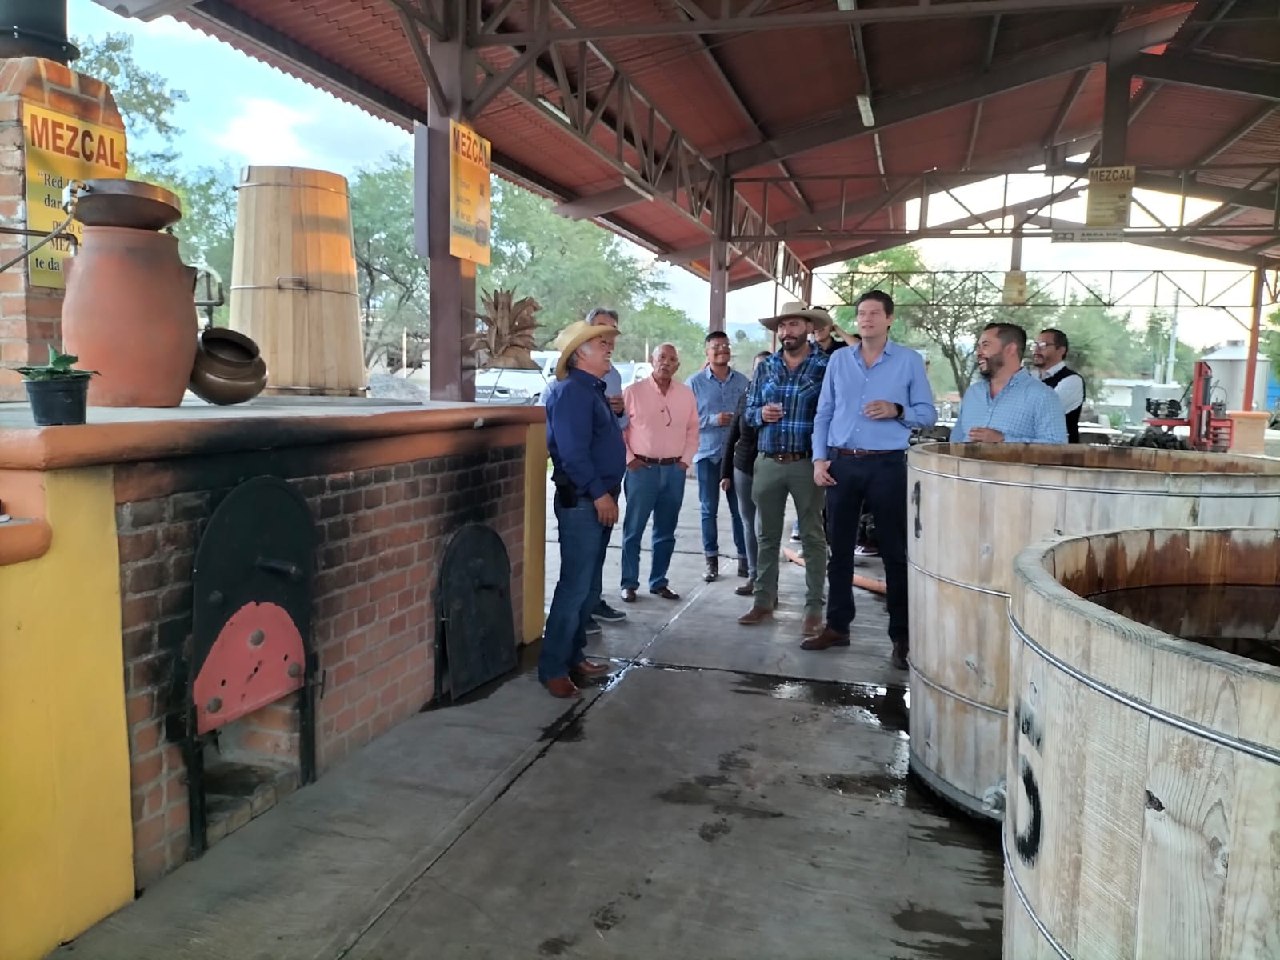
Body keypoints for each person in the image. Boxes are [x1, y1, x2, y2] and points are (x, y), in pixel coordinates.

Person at [809, 290, 937, 670]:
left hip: (887, 465)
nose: (866, 319)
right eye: (861, 313)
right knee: (839, 550)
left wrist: (897, 410)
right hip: (842, 463)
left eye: (874, 313)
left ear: (889, 319)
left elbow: (927, 414)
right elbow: (824, 412)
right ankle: (837, 626)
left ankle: (902, 636)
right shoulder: (839, 360)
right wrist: (819, 458)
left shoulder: (909, 361)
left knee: (894, 552)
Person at [541, 321, 626, 698]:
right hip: (583, 501)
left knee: (587, 585)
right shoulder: (572, 392)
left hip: (595, 498)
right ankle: (553, 668)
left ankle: (573, 655)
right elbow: (573, 454)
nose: (609, 348)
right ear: (579, 354)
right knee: (575, 586)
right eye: (600, 343)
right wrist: (599, 494)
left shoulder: (590, 389)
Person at [738, 303, 830, 637]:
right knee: (766, 535)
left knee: (813, 537)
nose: (786, 332)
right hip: (768, 461)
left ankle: (814, 608)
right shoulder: (766, 367)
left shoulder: (825, 366)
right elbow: (748, 412)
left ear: (808, 327)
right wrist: (761, 414)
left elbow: (834, 412)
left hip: (806, 462)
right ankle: (763, 601)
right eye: (781, 326)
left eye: (792, 325)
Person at [619, 343, 699, 603]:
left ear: (677, 365)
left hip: (674, 471)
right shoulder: (632, 392)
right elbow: (619, 430)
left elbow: (693, 430)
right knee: (634, 529)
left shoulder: (686, 395)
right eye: (661, 357)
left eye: (672, 359)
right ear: (652, 360)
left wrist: (685, 461)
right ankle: (629, 583)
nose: (666, 362)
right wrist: (629, 460)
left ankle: (659, 581)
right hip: (642, 470)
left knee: (666, 530)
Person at [688, 331, 749, 583]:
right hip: (707, 455)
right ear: (707, 351)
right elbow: (687, 419)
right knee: (708, 510)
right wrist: (713, 420)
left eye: (725, 345)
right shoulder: (694, 383)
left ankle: (745, 560)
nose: (722, 349)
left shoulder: (743, 382)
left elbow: (750, 415)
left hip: (736, 457)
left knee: (740, 511)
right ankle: (711, 561)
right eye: (716, 346)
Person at [952, 323, 1068, 445]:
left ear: (1010, 349)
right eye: (978, 347)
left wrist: (1003, 440)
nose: (979, 353)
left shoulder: (1043, 396)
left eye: (985, 345)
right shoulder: (972, 393)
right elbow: (955, 441)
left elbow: (1057, 446)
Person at [721, 351, 771, 597]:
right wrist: (725, 472)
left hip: (770, 468)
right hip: (742, 467)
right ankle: (753, 576)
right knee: (749, 524)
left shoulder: (781, 398)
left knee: (766, 526)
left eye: (767, 367)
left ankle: (768, 581)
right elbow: (733, 435)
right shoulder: (746, 396)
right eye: (758, 367)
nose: (762, 371)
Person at [1031, 328, 1085, 443]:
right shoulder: (1030, 378)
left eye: (1043, 345)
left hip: (1060, 451)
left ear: (1061, 350)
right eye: (1035, 345)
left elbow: (1041, 412)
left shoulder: (1072, 381)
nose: (1036, 349)